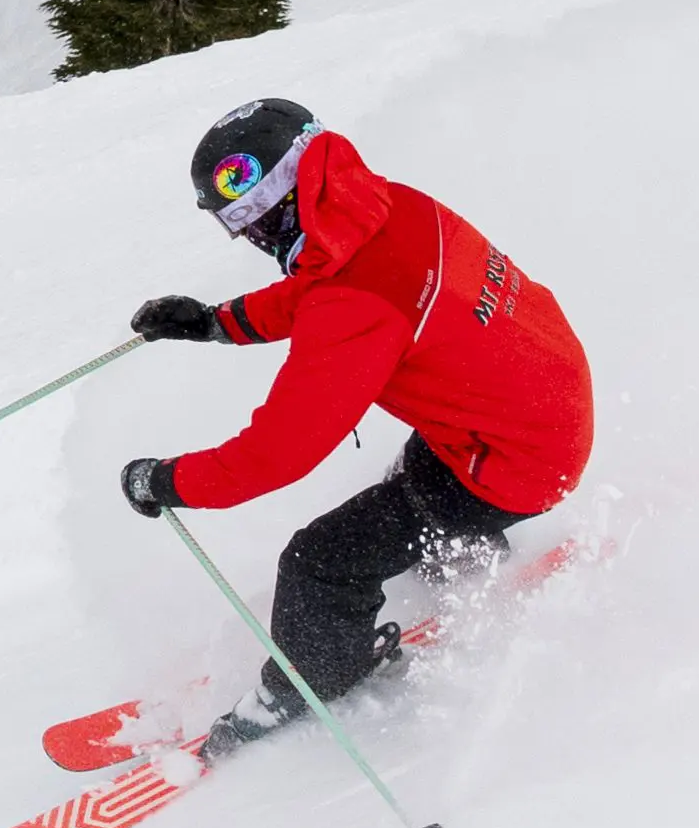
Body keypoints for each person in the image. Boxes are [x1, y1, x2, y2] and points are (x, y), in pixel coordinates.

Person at [117, 100, 592, 754]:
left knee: (320, 563)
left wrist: (166, 482)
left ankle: (310, 682)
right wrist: (214, 323)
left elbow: (276, 453)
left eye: (252, 227)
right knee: (409, 487)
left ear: (281, 205)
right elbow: (322, 288)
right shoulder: (384, 205)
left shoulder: (354, 300)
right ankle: (464, 549)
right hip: (536, 394)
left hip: (512, 460)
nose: (254, 244)